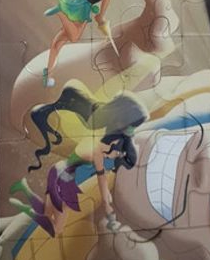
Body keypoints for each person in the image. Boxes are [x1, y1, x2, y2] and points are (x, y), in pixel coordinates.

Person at [9, 81, 149, 236]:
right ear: (122, 120)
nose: (132, 130)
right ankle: (23, 208)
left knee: (47, 213)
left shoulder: (100, 129)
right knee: (57, 229)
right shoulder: (102, 142)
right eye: (132, 126)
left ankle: (24, 189)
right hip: (65, 179)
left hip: (58, 170)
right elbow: (101, 177)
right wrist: (106, 203)